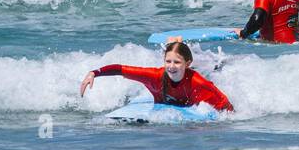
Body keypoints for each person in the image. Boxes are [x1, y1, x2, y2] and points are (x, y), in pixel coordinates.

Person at [80, 37, 233, 110]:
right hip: (167, 103)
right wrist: (94, 73)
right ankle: (173, 42)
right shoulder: (154, 76)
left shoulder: (199, 83)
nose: (171, 66)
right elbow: (120, 69)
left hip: (193, 83)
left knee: (210, 72)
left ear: (187, 64)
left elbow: (225, 104)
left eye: (177, 62)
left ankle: (216, 63)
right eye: (168, 61)